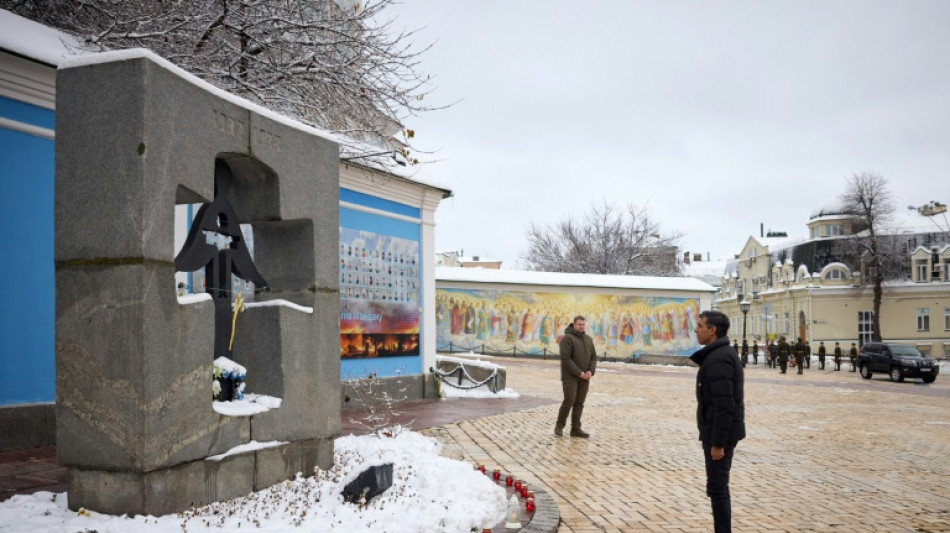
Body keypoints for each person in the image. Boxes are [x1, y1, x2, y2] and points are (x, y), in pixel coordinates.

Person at [690, 310, 746, 533]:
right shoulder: (718, 354)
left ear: (712, 330)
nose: (696, 329)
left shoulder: (720, 358)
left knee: (718, 487)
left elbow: (725, 404)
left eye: (700, 325)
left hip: (719, 435)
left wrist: (718, 443)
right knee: (717, 486)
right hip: (715, 431)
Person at [555, 315, 597, 438]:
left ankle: (576, 428)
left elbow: (593, 357)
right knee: (569, 400)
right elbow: (566, 359)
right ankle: (559, 426)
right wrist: (579, 373)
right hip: (570, 377)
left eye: (583, 324)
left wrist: (590, 371)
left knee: (579, 403)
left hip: (585, 377)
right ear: (574, 324)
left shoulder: (588, 339)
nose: (581, 327)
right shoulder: (567, 339)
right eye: (579, 324)